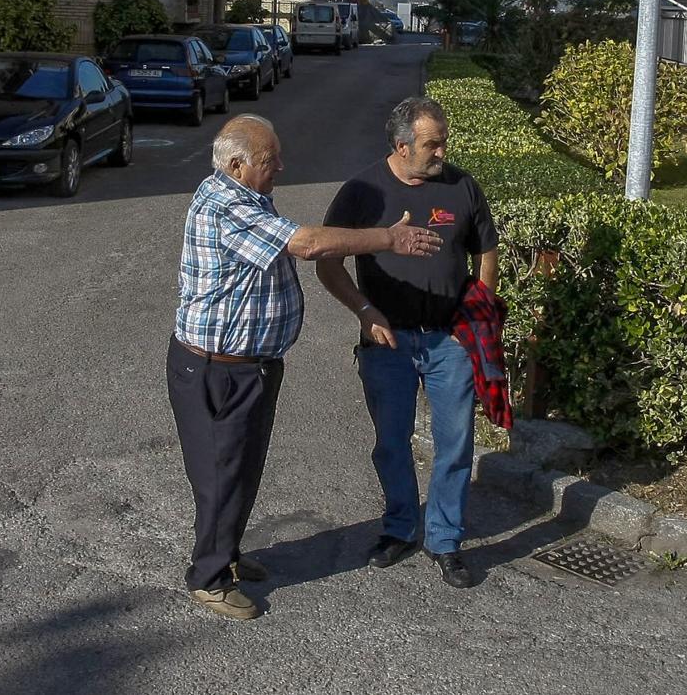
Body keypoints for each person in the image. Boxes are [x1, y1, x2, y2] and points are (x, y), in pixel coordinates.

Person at [167, 114, 443, 620]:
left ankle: (225, 553)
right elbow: (308, 244)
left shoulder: (248, 195)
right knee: (221, 474)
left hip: (251, 366)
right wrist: (388, 239)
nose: (281, 167)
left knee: (244, 468)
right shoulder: (224, 202)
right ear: (236, 165)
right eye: (271, 161)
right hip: (217, 368)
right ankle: (207, 577)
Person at [316, 97, 499, 589]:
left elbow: (486, 249)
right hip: (387, 343)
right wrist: (363, 310)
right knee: (392, 444)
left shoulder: (462, 186)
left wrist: (479, 305)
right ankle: (400, 529)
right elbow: (327, 262)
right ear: (401, 145)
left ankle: (445, 540)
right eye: (431, 144)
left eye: (442, 141)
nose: (443, 151)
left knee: (456, 444)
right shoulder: (362, 192)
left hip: (449, 342)